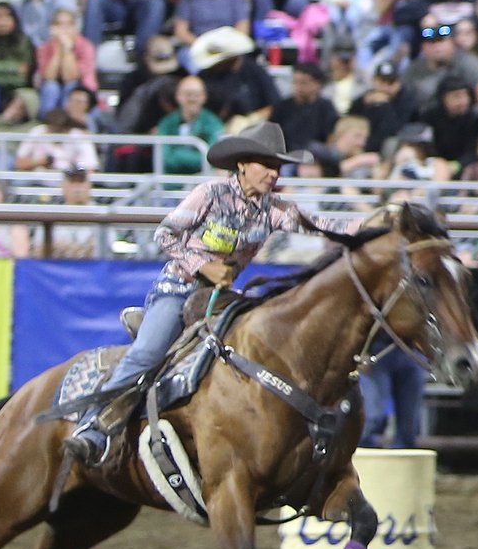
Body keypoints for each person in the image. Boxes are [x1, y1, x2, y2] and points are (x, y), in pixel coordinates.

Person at [64, 124, 320, 465]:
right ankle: (91, 429)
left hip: (222, 298)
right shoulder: (210, 193)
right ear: (242, 164)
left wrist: (372, 229)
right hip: (179, 290)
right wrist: (204, 266)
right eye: (266, 164)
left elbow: (322, 225)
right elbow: (165, 234)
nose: (273, 173)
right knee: (146, 354)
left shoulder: (274, 209)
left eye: (278, 167)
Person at [359, 333, 426, 448]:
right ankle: (360, 454)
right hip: (376, 349)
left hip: (410, 348)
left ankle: (401, 457)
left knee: (409, 425)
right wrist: (362, 350)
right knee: (374, 418)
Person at [159, 75, 225, 175]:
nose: (192, 99)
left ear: (204, 97)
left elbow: (213, 158)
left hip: (203, 179)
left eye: (197, 95)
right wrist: (198, 157)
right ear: (178, 96)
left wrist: (178, 155)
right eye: (187, 94)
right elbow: (166, 159)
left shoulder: (213, 123)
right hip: (171, 180)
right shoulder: (167, 123)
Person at [270, 62, 341, 152]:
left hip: (315, 155)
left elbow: (330, 138)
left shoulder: (326, 107)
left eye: (303, 83)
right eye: (295, 82)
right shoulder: (282, 106)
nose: (298, 87)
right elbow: (272, 134)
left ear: (317, 84)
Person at [50, 166, 99, 259]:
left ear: (89, 186)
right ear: (63, 187)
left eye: (81, 182)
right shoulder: (53, 213)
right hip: (59, 264)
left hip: (93, 265)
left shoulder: (101, 213)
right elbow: (39, 248)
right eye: (72, 182)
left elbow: (108, 246)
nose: (77, 188)